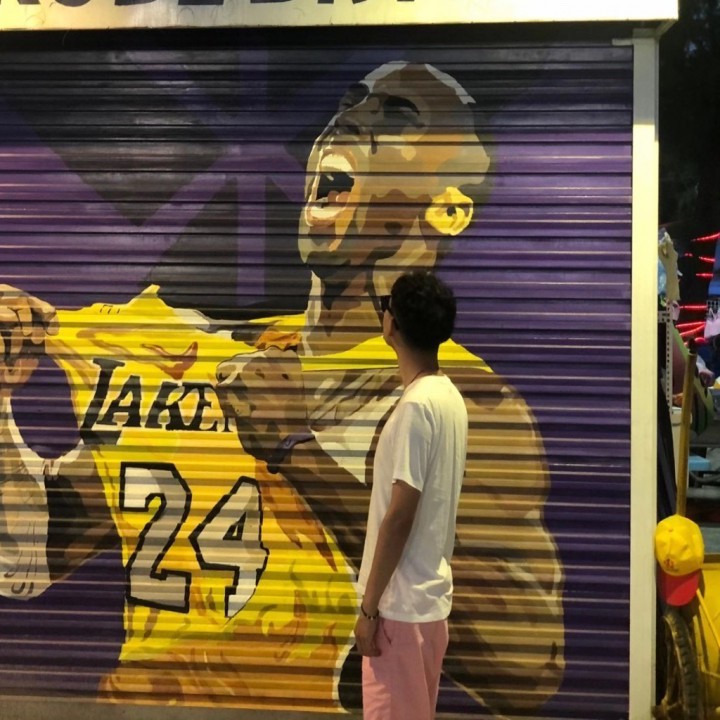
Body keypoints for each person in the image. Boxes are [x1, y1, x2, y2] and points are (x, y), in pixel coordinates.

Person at [0, 61, 564, 714]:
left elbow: (528, 664)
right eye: (351, 102)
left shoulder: (466, 401)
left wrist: (298, 450)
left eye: (395, 117)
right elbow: (25, 558)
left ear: (449, 208)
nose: (350, 119)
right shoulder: (200, 357)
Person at [351, 269, 467, 720]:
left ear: (392, 324)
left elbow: (400, 515)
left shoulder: (417, 406)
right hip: (425, 605)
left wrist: (369, 609)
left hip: (398, 609)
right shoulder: (447, 397)